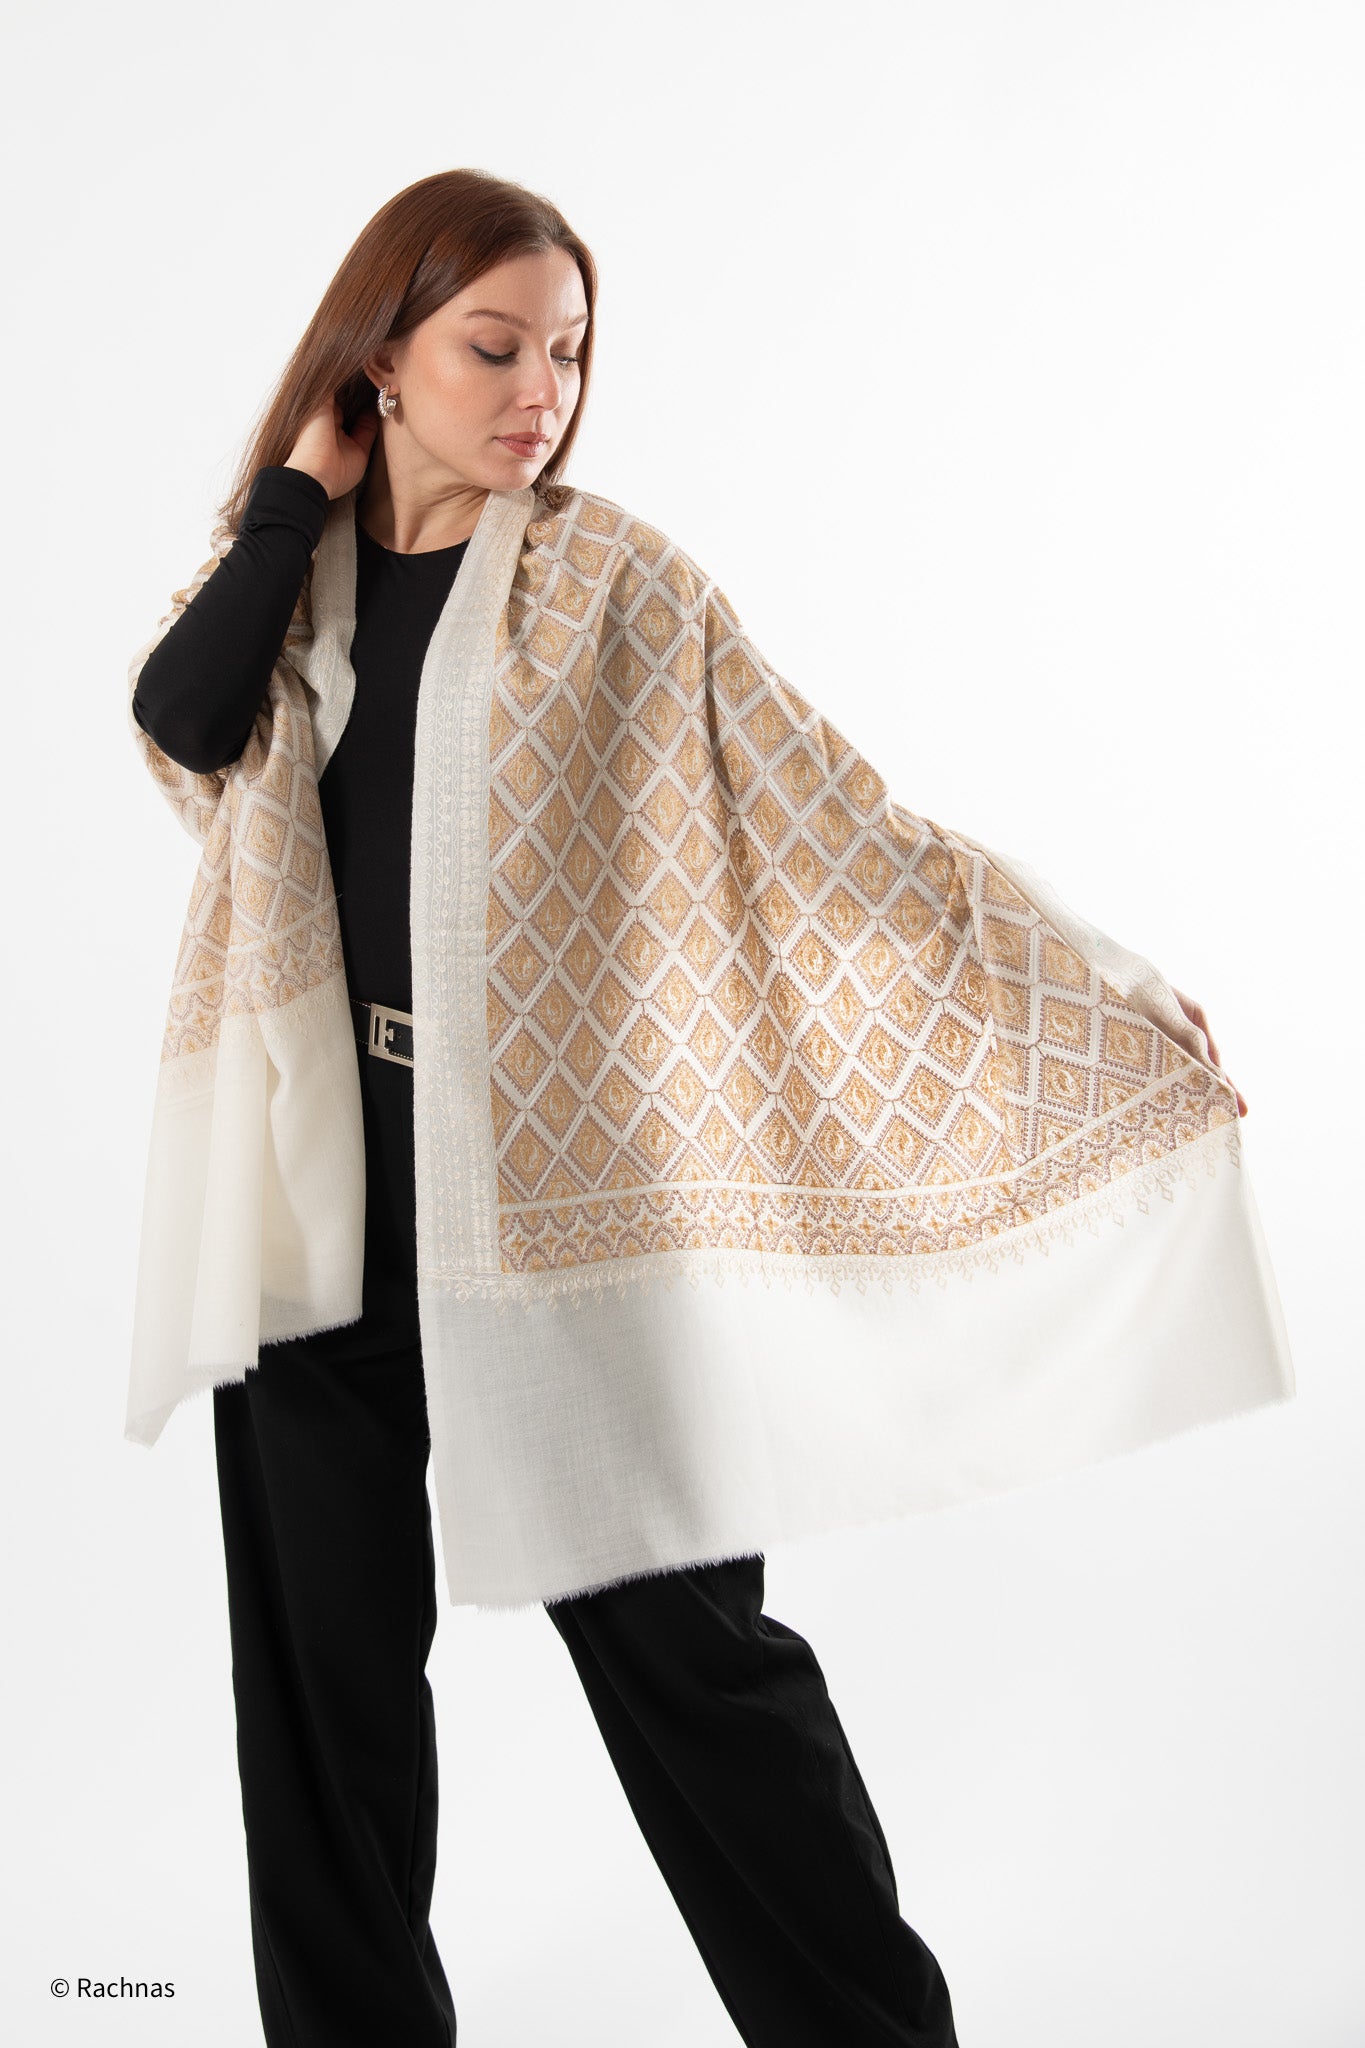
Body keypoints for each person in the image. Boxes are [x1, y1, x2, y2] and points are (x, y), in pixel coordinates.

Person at [129, 167, 971, 2048]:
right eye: (493, 348)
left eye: (570, 354)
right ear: (380, 362)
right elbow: (181, 717)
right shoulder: (291, 588)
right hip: (323, 1193)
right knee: (323, 1696)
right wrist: (292, 498)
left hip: (562, 1199)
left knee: (696, 1658)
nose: (542, 394)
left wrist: (1090, 972)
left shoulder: (613, 589)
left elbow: (839, 824)